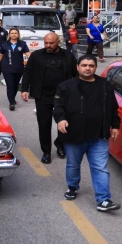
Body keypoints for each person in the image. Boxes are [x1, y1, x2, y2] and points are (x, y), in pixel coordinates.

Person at [53, 55, 121, 212]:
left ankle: (103, 200)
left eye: (91, 65)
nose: (87, 68)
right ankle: (72, 187)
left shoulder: (105, 85)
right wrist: (61, 119)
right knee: (73, 164)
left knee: (100, 167)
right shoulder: (66, 86)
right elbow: (58, 106)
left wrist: (115, 126)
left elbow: (113, 107)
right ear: (78, 67)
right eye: (84, 65)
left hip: (99, 135)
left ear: (96, 67)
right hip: (74, 135)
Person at [21, 32, 78, 164]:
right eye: (46, 43)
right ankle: (46, 151)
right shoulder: (36, 55)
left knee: (65, 123)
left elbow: (76, 75)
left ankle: (60, 144)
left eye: (51, 43)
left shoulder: (68, 56)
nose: (48, 45)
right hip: (43, 95)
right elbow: (28, 72)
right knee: (44, 124)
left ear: (58, 41)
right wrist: (24, 89)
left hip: (63, 96)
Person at [0, 28, 30, 111]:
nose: (14, 35)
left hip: (19, 68)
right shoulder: (4, 44)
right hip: (7, 68)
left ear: (18, 34)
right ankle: (12, 102)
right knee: (10, 85)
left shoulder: (23, 44)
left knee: (15, 85)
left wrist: (34, 63)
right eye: (12, 33)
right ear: (9, 35)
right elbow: (0, 55)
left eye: (15, 33)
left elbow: (28, 55)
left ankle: (12, 98)